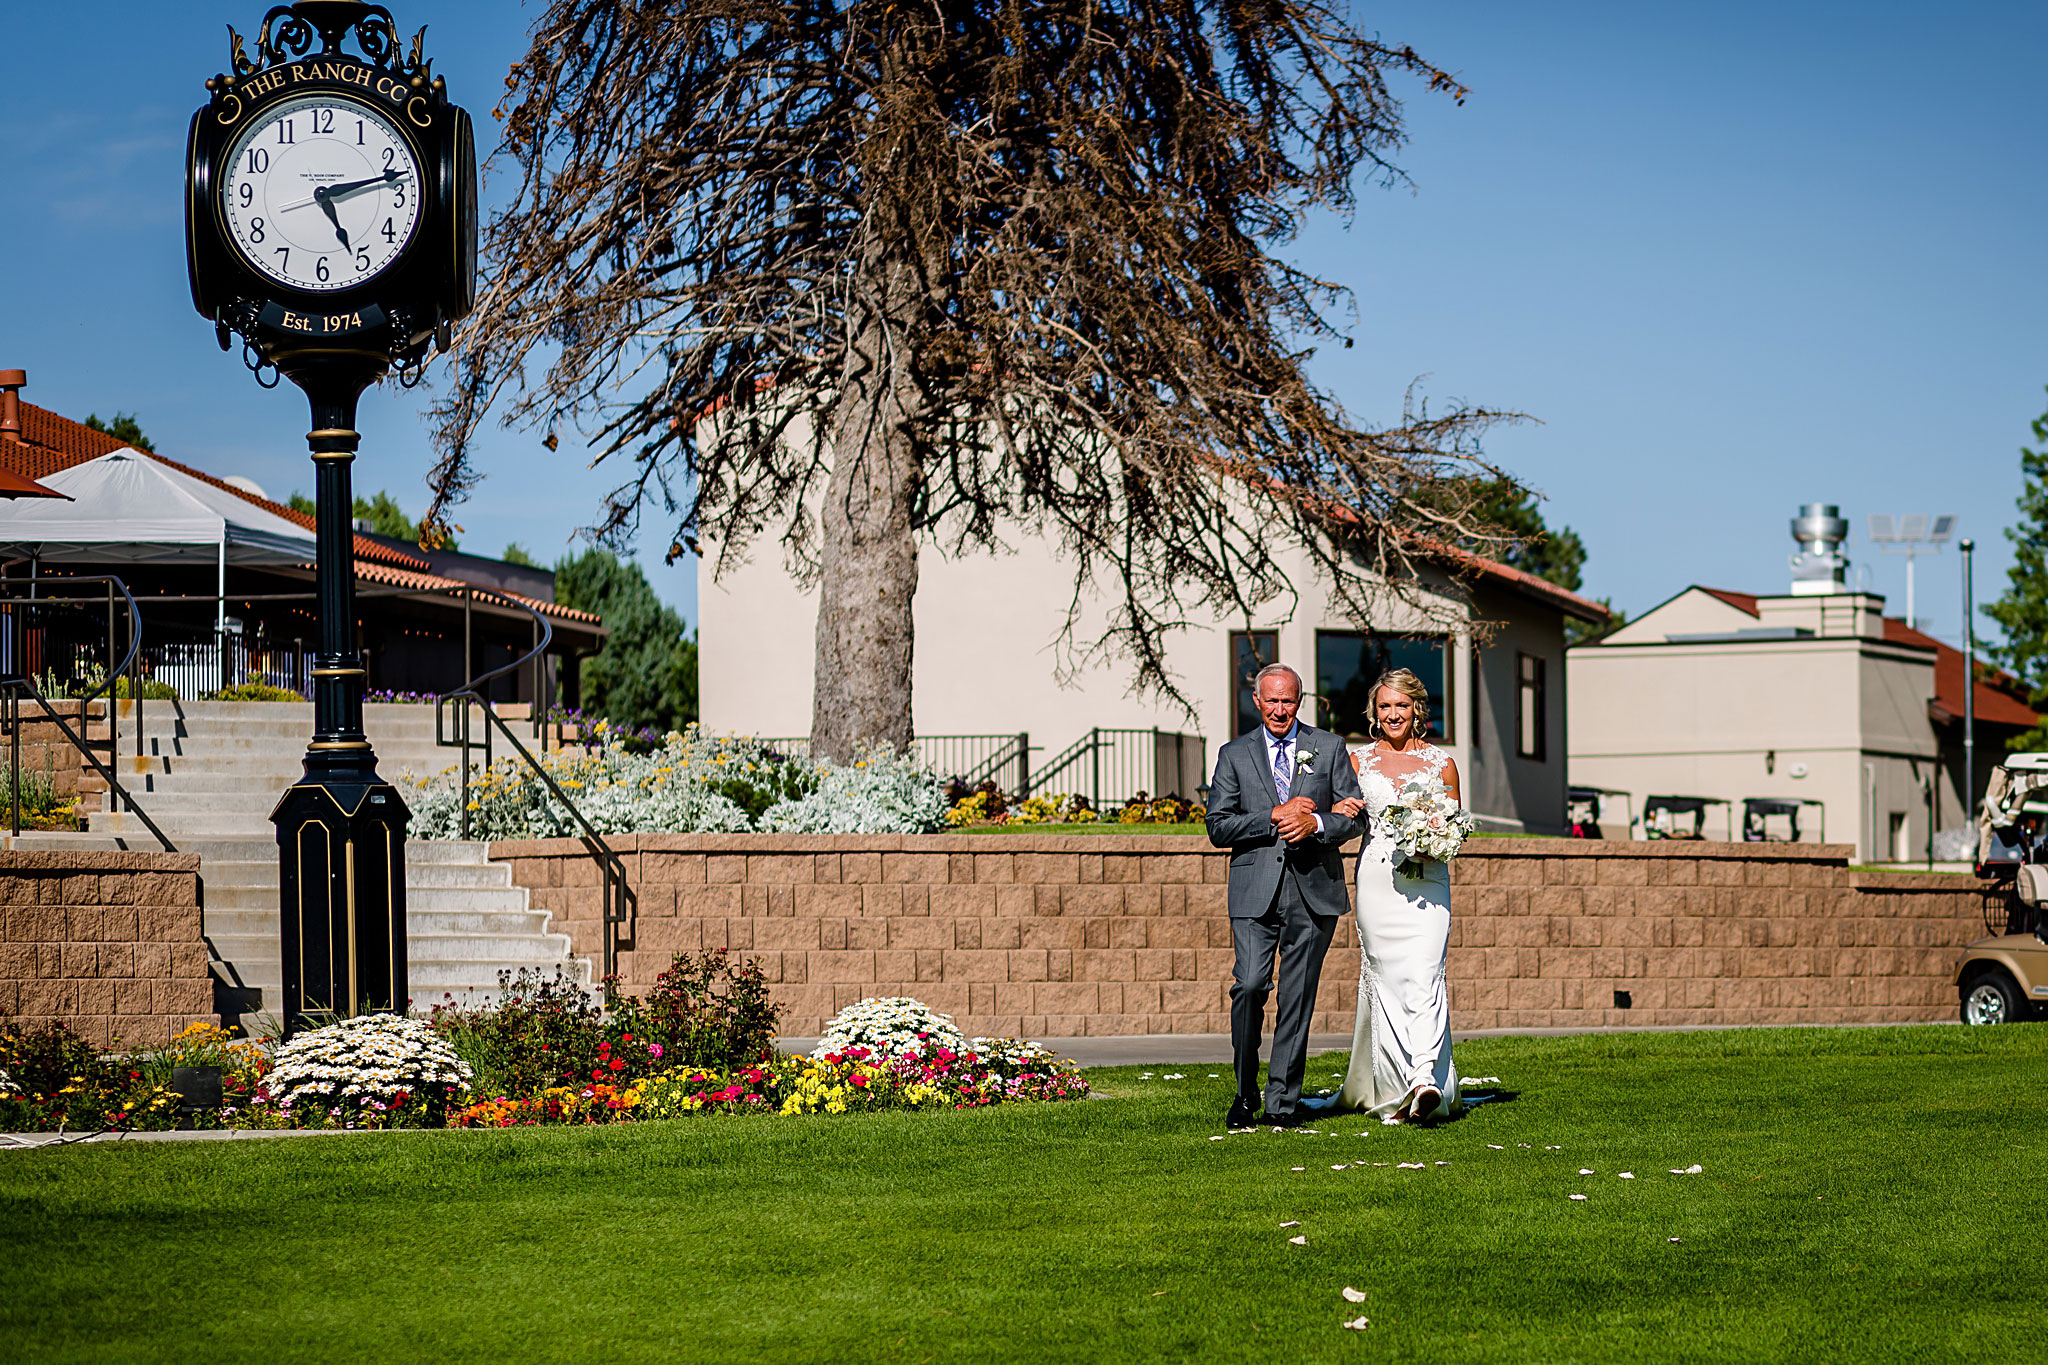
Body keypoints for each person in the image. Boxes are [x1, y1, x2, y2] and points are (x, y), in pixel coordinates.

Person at [1204, 663, 1364, 1128]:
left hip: (1314, 889)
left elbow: (1353, 818)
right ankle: (1245, 1091)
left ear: (1300, 701)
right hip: (1255, 891)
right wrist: (1275, 814)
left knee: (1297, 997)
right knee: (1250, 985)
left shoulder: (1329, 747)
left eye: (1288, 700)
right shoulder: (1233, 754)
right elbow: (1218, 826)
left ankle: (1282, 1103)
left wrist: (1315, 823)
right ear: (1257, 701)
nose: (1279, 709)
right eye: (1271, 700)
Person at [1324, 667, 1462, 1121]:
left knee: (1425, 975)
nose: (1393, 714)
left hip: (1428, 881)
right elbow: (1342, 814)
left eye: (1401, 705)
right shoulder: (1357, 761)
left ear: (1417, 709)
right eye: (1385, 706)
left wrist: (1435, 838)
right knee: (1386, 981)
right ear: (1374, 712)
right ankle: (1392, 1083)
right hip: (1378, 881)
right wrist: (1336, 810)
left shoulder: (1443, 764)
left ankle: (1424, 1080)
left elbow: (1456, 827)